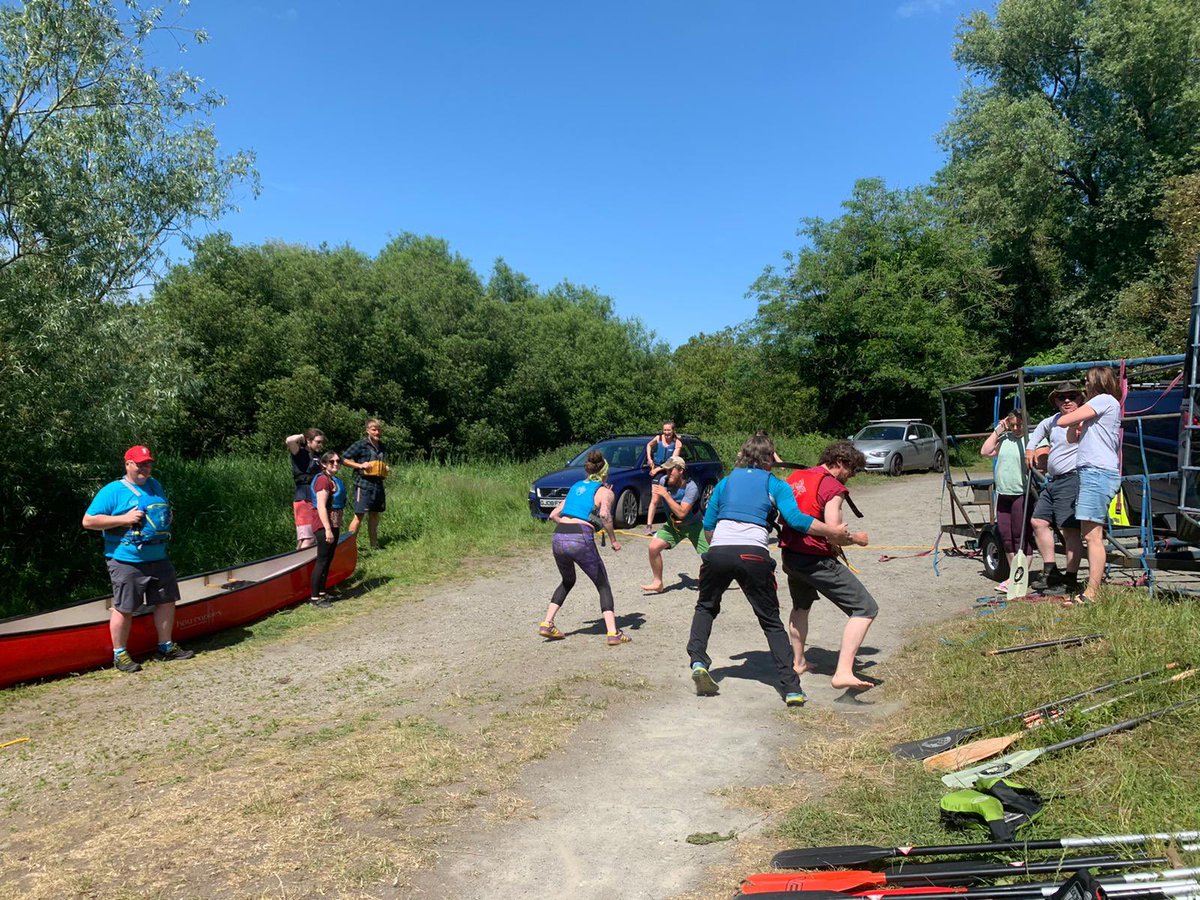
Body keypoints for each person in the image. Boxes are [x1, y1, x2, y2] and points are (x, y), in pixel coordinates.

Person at [686, 432, 851, 706]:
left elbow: (708, 525)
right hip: (754, 555)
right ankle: (791, 688)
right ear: (770, 459)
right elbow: (797, 521)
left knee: (706, 606)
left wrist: (722, 554)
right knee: (771, 622)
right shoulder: (775, 484)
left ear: (742, 455)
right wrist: (831, 531)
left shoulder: (725, 483)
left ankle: (698, 661)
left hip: (718, 552)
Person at [81, 445, 195, 673]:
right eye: (140, 464)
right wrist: (124, 519)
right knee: (124, 608)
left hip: (158, 557)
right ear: (128, 464)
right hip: (126, 560)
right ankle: (120, 654)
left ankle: (166, 646)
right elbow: (88, 521)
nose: (145, 468)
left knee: (166, 601)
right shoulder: (112, 491)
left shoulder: (155, 485)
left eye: (148, 463)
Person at [779, 441, 875, 691]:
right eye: (852, 470)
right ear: (841, 463)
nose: (851, 476)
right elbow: (835, 533)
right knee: (865, 608)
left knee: (801, 606)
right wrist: (857, 539)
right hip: (815, 559)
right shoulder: (832, 486)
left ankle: (798, 662)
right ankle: (843, 672)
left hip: (790, 556)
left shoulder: (797, 477)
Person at [539, 451, 628, 645]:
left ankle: (547, 623)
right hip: (580, 538)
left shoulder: (576, 487)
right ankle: (613, 633)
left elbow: (554, 515)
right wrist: (613, 539)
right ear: (605, 474)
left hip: (559, 536)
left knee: (568, 580)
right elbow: (605, 515)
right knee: (603, 584)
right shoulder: (605, 491)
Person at [1055, 366, 1123, 603]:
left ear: (1096, 382)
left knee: (1093, 536)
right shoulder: (1101, 407)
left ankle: (1092, 592)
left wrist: (1076, 417)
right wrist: (1079, 423)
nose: (1084, 386)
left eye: (1086, 382)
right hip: (1092, 473)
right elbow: (1071, 436)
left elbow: (1063, 421)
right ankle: (1092, 589)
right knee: (1089, 534)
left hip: (1097, 473)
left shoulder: (1104, 400)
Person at [1026, 383, 1085, 593]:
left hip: (1073, 478)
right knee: (1038, 521)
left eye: (1072, 396)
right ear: (1056, 401)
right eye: (1062, 398)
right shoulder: (1052, 420)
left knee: (1069, 530)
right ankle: (1051, 571)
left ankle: (1070, 579)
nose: (1067, 400)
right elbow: (1037, 431)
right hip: (1053, 481)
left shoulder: (1085, 418)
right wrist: (1030, 448)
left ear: (1080, 398)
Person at [980, 410, 1033, 593]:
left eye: (1020, 425)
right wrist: (998, 430)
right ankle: (1014, 576)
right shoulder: (1004, 439)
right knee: (1006, 536)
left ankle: (1021, 577)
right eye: (1013, 425)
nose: (1017, 428)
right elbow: (985, 451)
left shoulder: (1031, 439)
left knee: (1020, 536)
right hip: (1003, 493)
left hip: (1021, 493)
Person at [640, 456, 708, 594]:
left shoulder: (691, 487)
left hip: (694, 525)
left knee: (709, 557)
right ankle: (658, 582)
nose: (668, 474)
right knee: (653, 547)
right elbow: (654, 501)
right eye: (666, 471)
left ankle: (708, 581)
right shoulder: (663, 481)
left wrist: (666, 495)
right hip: (673, 525)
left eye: (671, 471)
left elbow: (682, 513)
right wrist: (649, 524)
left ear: (681, 471)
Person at [308, 450, 346, 608]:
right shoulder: (323, 481)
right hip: (324, 525)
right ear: (324, 464)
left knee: (328, 559)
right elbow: (321, 507)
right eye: (331, 462)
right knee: (322, 560)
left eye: (338, 461)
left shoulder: (333, 480)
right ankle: (314, 598)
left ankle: (323, 592)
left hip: (333, 524)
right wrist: (328, 530)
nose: (336, 464)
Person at [343, 419, 388, 550]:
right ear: (367, 430)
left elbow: (378, 463)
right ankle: (348, 547)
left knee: (375, 515)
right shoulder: (360, 444)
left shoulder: (382, 446)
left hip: (378, 485)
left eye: (379, 429)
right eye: (374, 429)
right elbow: (343, 458)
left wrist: (385, 469)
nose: (377, 432)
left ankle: (374, 545)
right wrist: (359, 465)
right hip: (363, 484)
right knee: (359, 515)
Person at [285, 428, 325, 550]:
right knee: (308, 539)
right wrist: (303, 436)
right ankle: (299, 567)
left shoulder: (318, 457)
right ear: (309, 441)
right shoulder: (299, 453)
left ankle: (300, 564)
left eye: (322, 442)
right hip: (303, 498)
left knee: (308, 538)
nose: (321, 445)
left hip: (314, 498)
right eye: (318, 442)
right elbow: (289, 440)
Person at [643, 422, 681, 534]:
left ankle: (674, 524)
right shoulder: (658, 438)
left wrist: (657, 469)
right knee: (654, 499)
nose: (666, 432)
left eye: (669, 430)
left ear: (673, 430)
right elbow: (649, 445)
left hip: (670, 472)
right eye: (665, 430)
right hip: (657, 472)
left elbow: (672, 461)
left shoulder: (677, 443)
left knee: (671, 499)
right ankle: (649, 526)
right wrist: (649, 459)